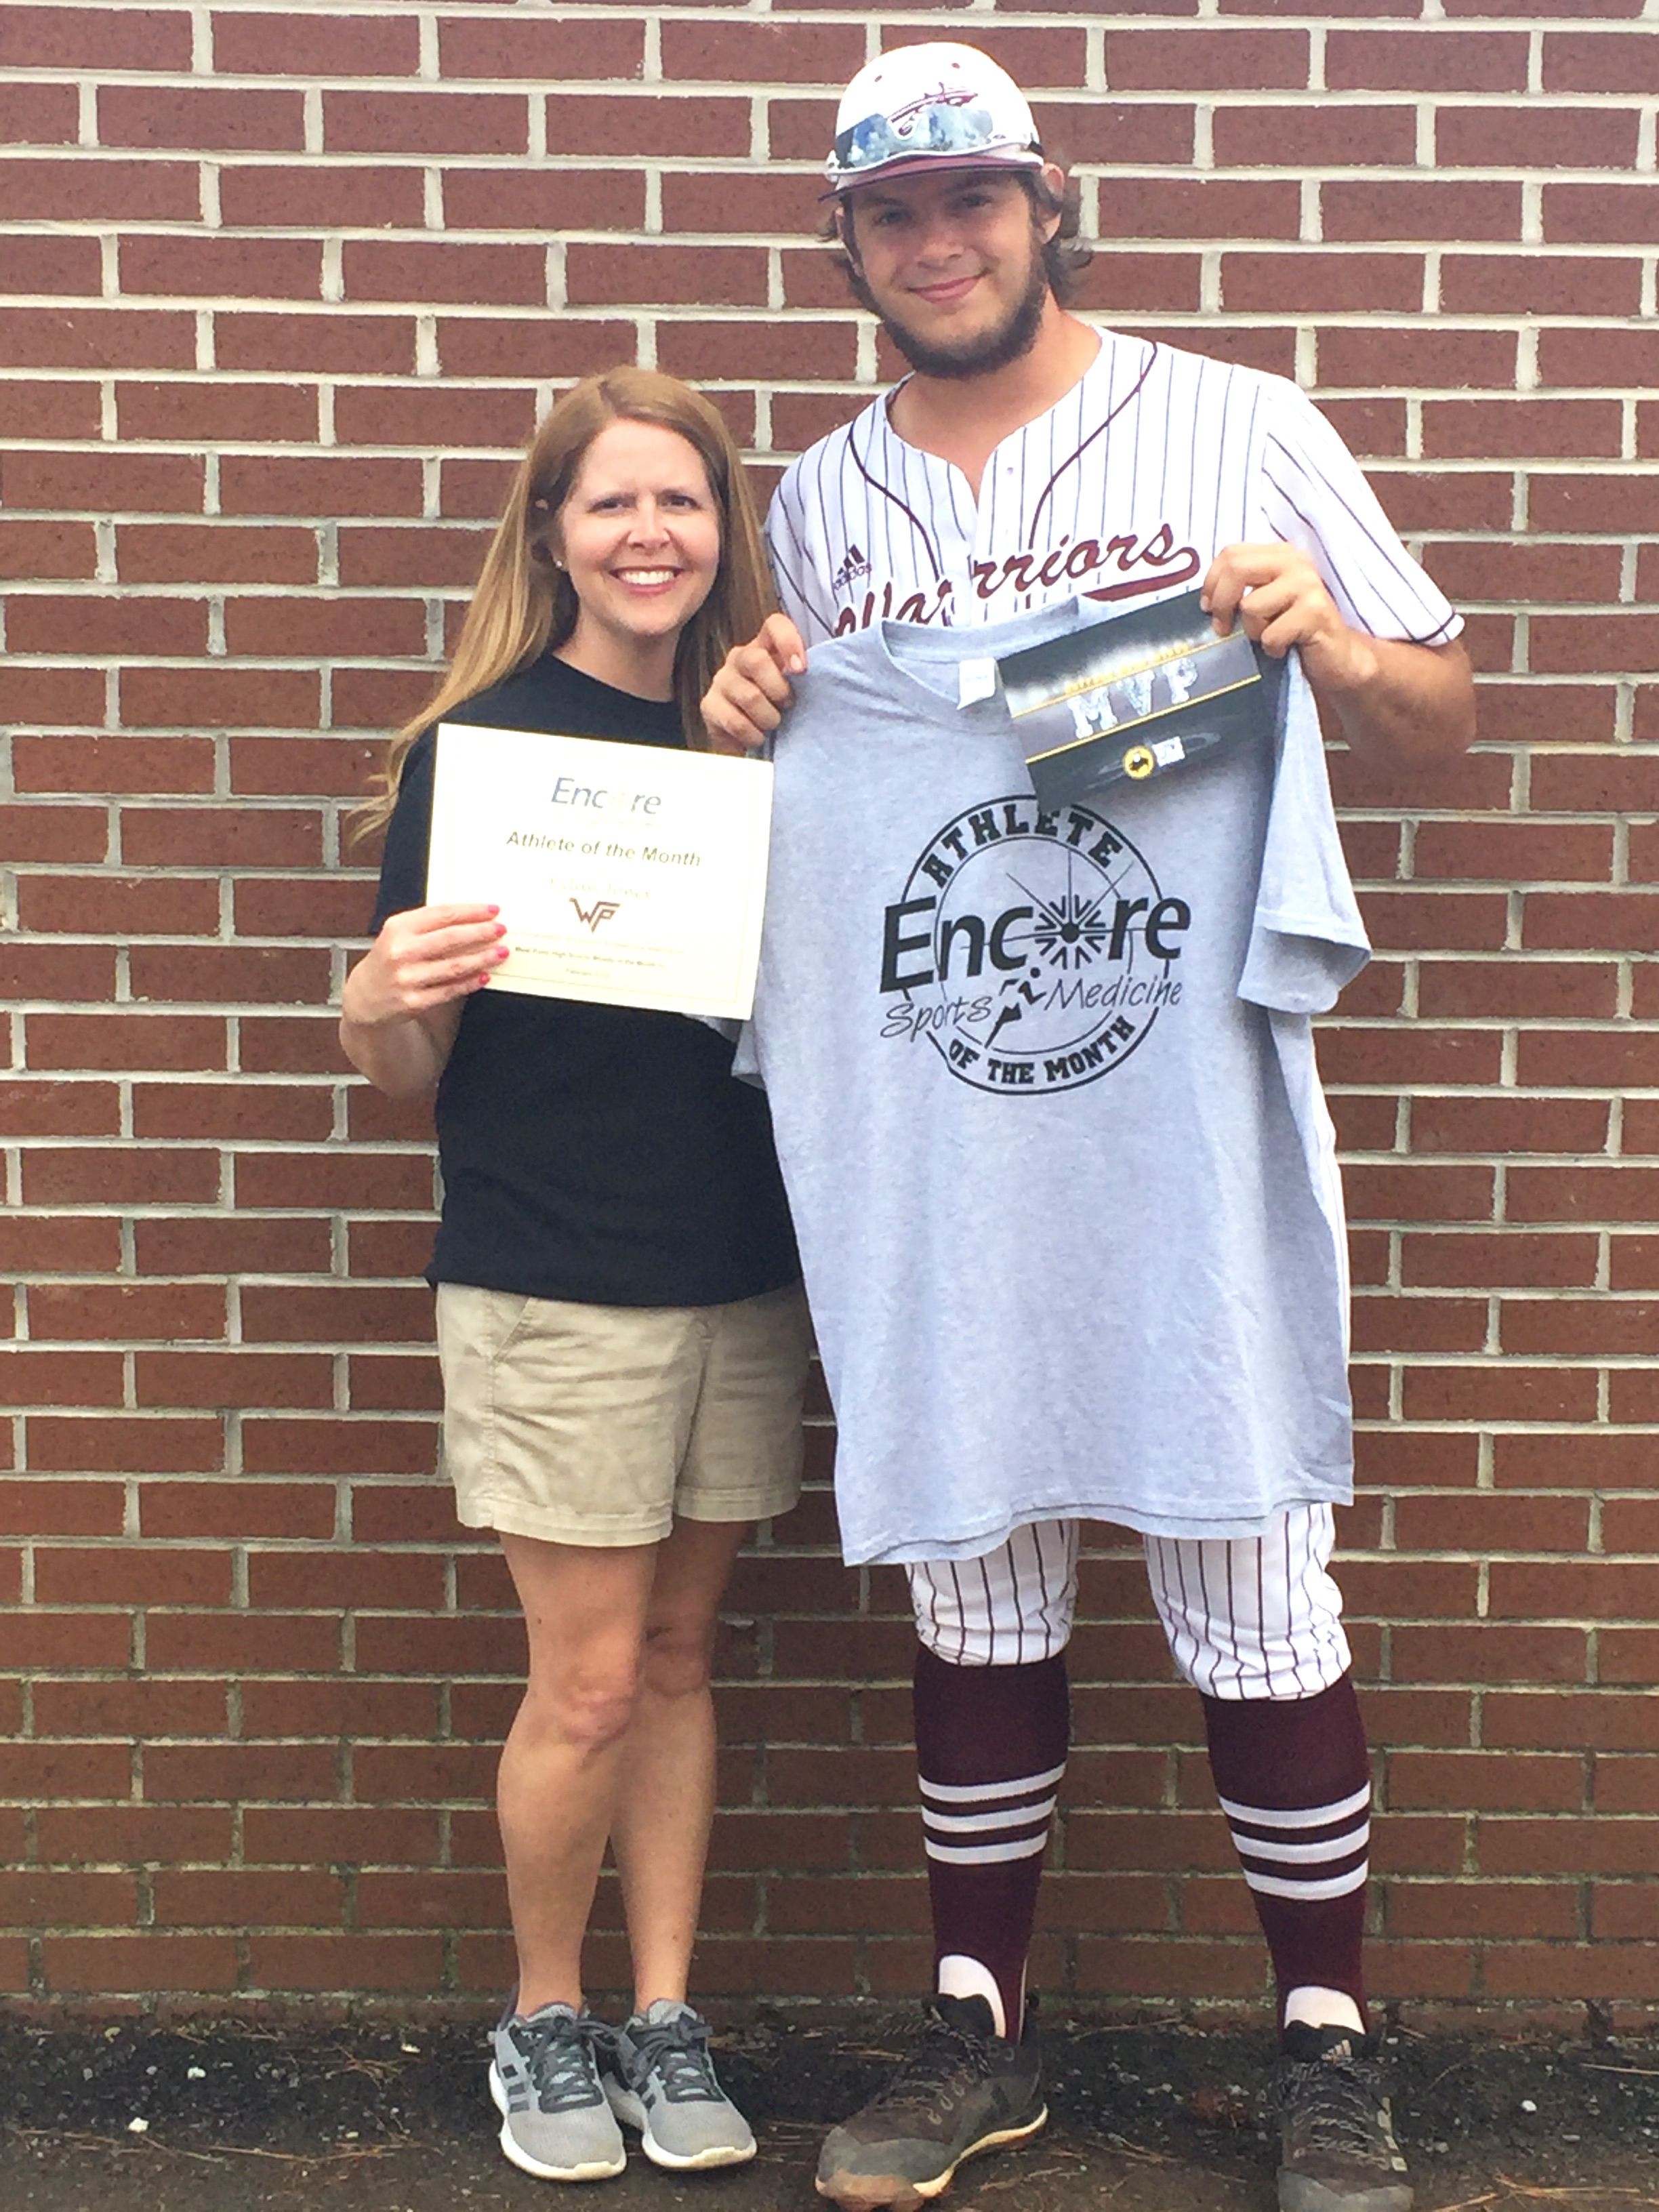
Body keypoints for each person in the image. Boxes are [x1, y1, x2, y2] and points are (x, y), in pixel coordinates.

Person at [701, 43, 1476, 2212]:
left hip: (1185, 1156)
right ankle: (981, 2023)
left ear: (1052, 201)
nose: (937, 241)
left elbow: (1444, 706)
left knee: (1258, 1592)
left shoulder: (1239, 421)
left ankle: (1329, 2034)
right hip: (948, 1161)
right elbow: (827, 806)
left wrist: (1321, 646)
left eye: (972, 197)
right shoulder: (828, 509)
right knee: (978, 1594)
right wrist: (761, 705)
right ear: (847, 245)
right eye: (891, 213)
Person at [342, 367, 808, 2184]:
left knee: (684, 1660)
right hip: (553, 1276)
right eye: (611, 504)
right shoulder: (484, 754)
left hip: (743, 1268)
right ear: (553, 533)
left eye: (682, 504)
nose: (649, 536)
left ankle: (663, 2012)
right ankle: (545, 2021)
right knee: (592, 1681)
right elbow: (405, 1061)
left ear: (723, 531)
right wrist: (374, 1003)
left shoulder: (769, 737)